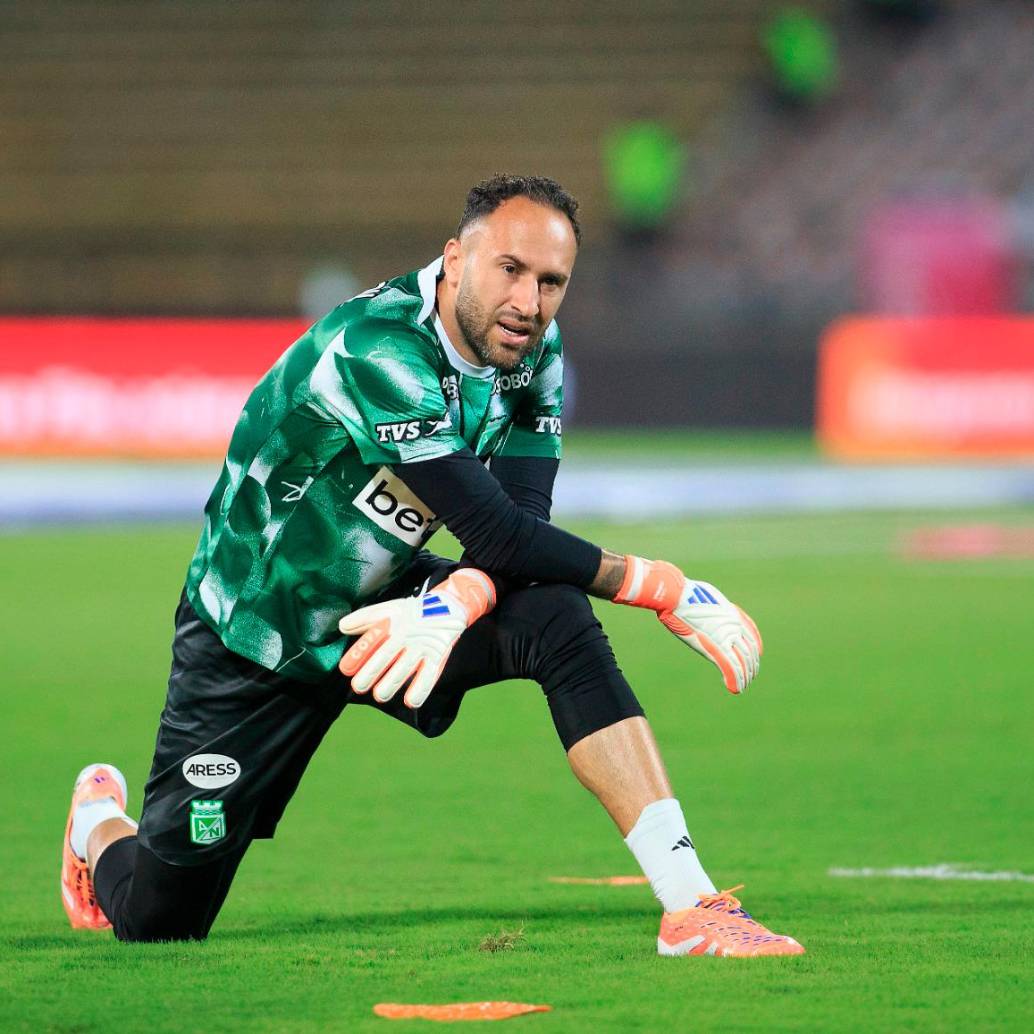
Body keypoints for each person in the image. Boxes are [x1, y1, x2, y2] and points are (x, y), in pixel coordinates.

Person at [61, 174, 803, 957]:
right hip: (256, 633)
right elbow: (499, 532)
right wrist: (661, 587)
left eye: (551, 282)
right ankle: (97, 822)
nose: (529, 301)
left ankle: (690, 905)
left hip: (387, 608)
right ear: (455, 260)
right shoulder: (378, 348)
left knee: (557, 618)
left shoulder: (535, 357)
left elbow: (519, 525)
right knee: (161, 922)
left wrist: (460, 598)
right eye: (510, 269)